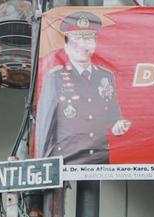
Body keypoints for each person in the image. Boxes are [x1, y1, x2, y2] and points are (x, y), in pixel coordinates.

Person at [35, 11, 131, 165]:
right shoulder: (55, 78)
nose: (81, 45)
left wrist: (117, 125)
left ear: (94, 44)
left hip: (100, 157)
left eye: (87, 38)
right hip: (67, 158)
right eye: (76, 40)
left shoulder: (106, 76)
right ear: (66, 46)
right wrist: (42, 162)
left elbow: (113, 116)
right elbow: (45, 124)